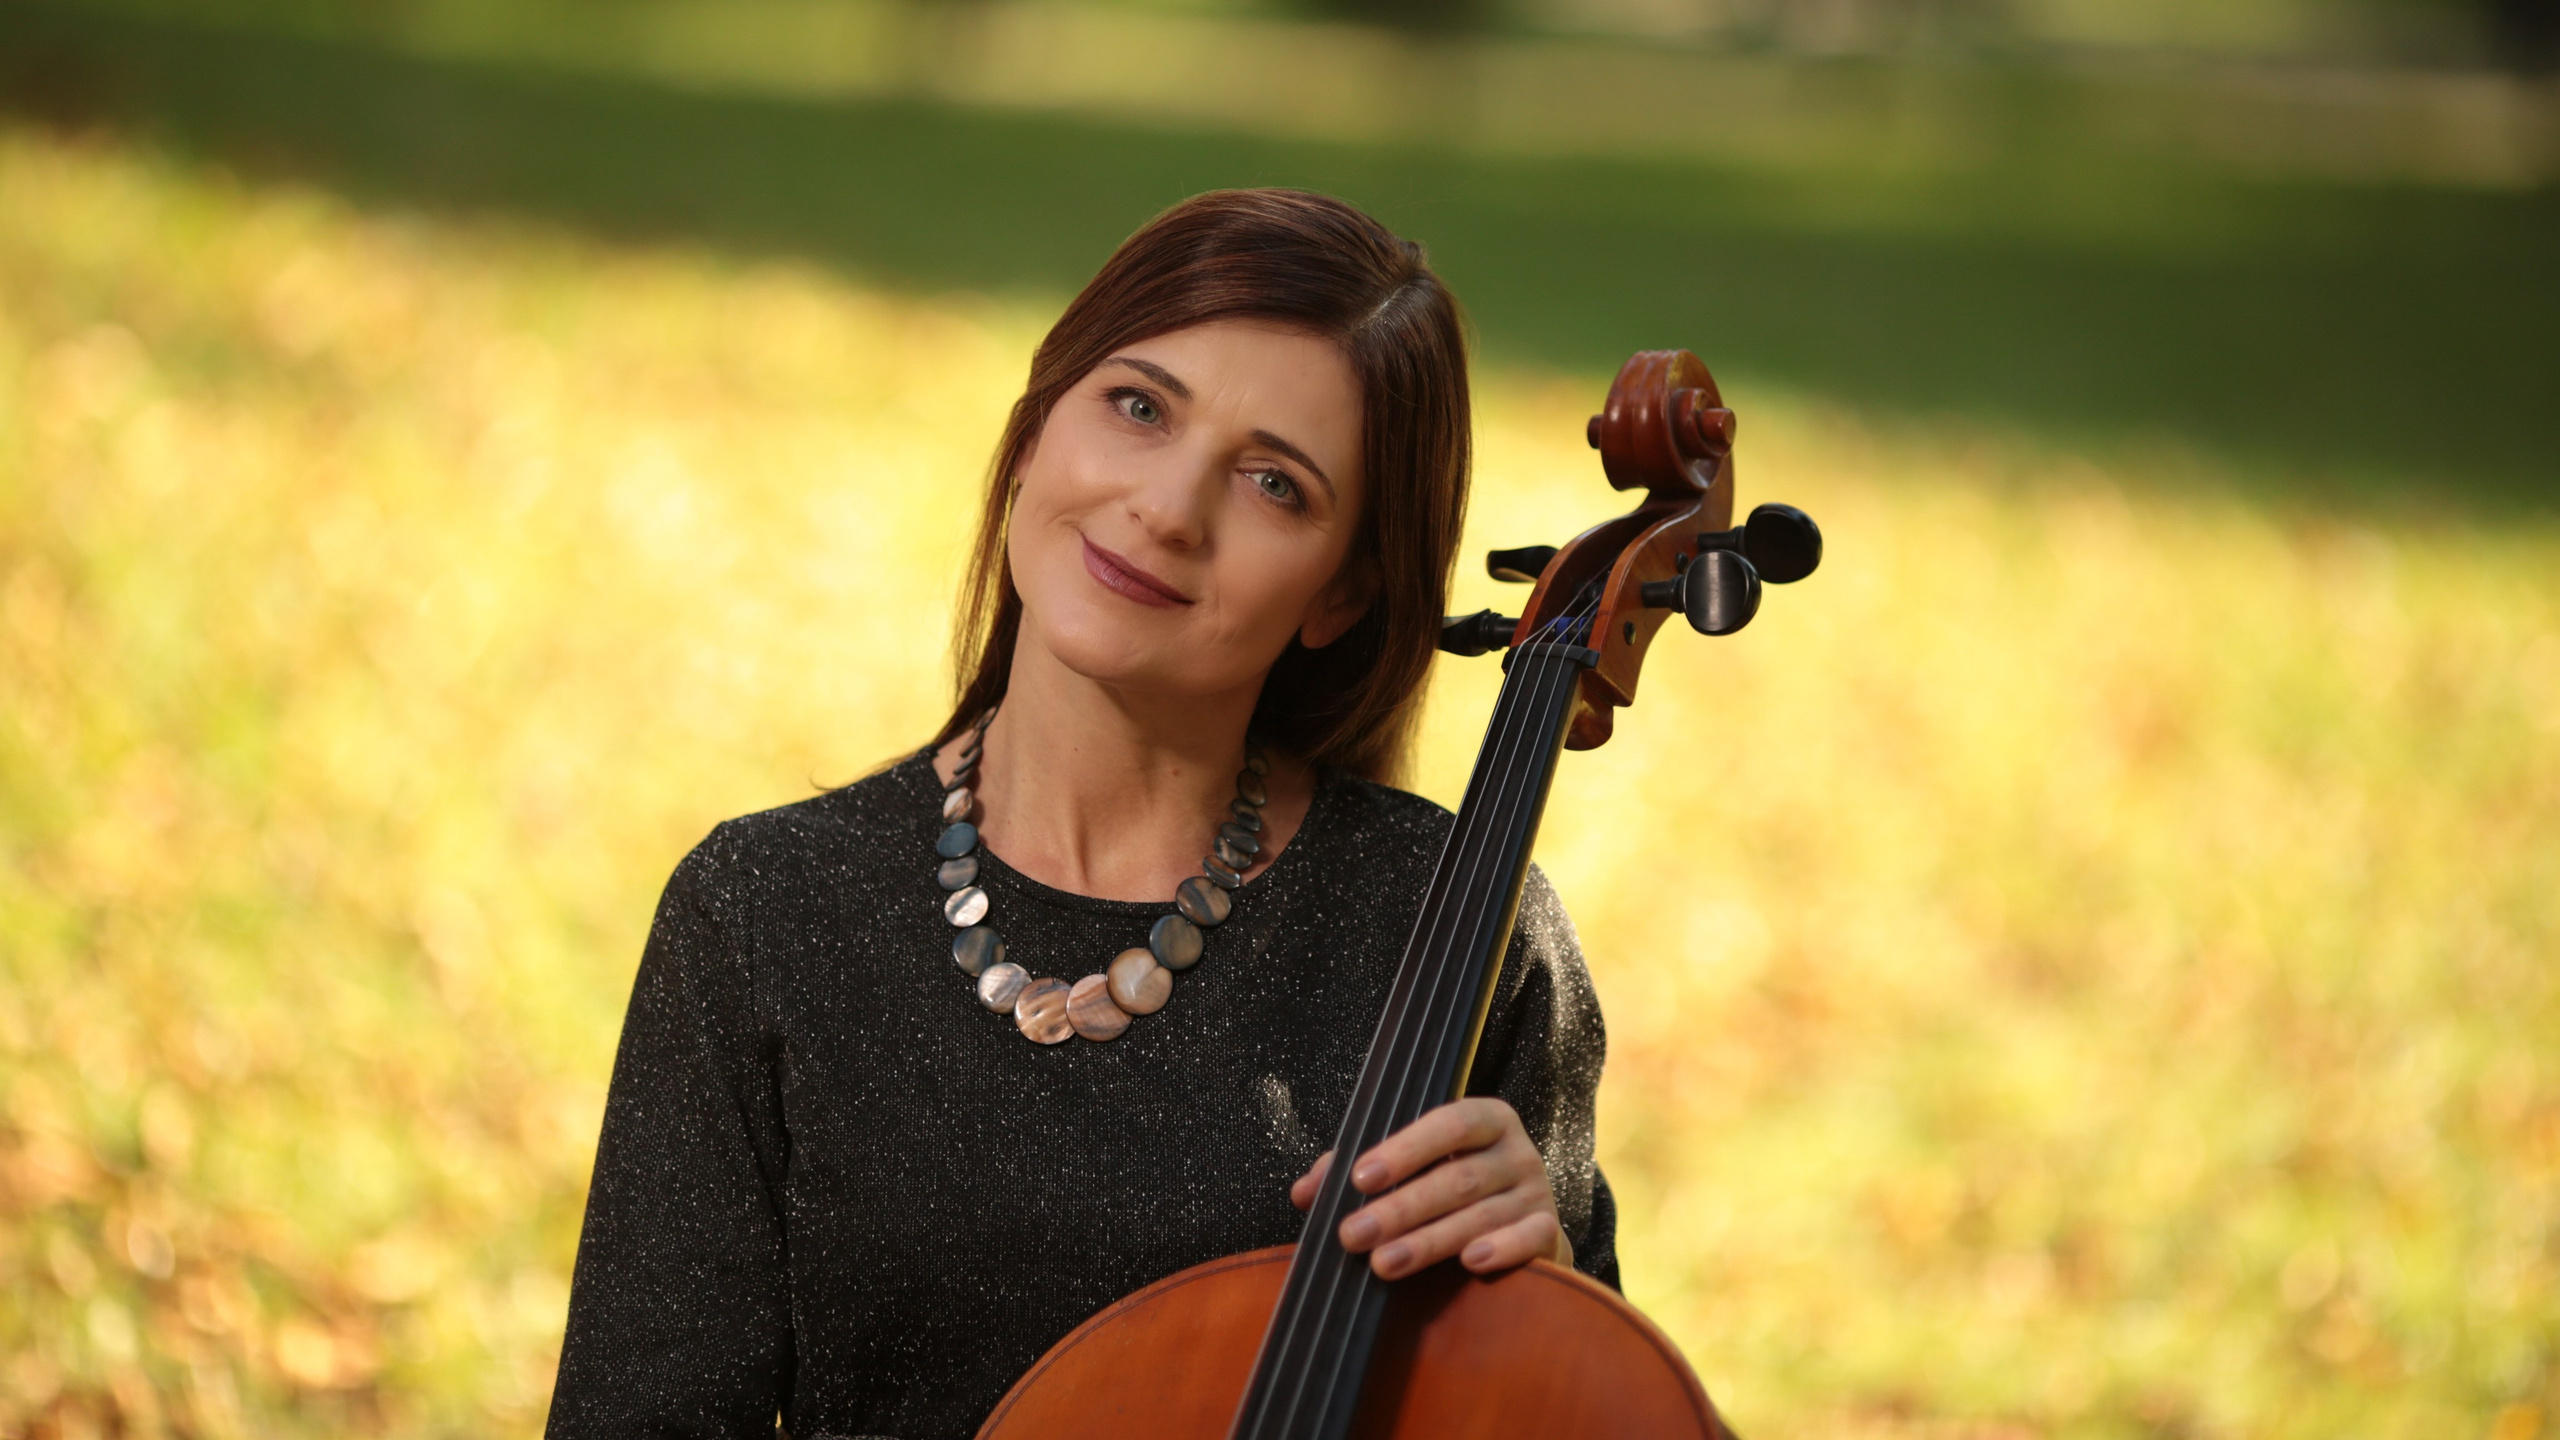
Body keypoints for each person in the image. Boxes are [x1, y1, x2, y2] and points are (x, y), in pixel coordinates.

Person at [546, 188, 1616, 1440]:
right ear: (1038, 426)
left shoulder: (1457, 930)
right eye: (1138, 407)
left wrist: (1539, 1281)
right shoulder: (764, 912)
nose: (1166, 509)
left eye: (1276, 483)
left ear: (1340, 595)